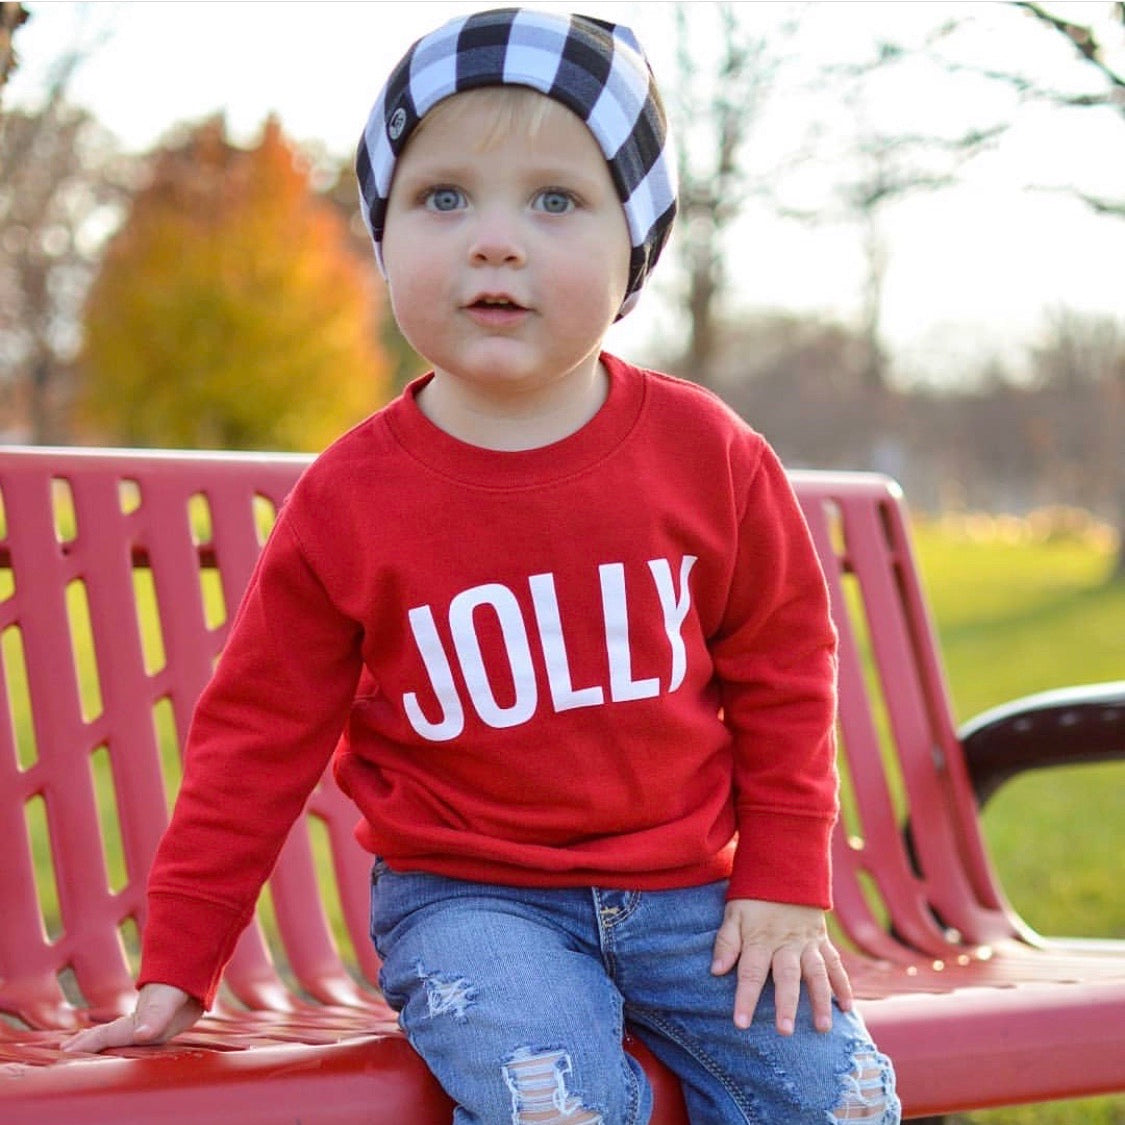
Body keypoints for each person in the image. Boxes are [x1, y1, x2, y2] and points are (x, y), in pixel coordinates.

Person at [65, 8, 900, 1123]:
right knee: (550, 1100)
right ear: (384, 234)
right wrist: (180, 960)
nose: (493, 239)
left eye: (556, 200)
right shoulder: (351, 501)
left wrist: (786, 880)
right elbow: (256, 738)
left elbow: (786, 669)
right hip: (472, 903)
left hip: (696, 900)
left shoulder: (710, 456)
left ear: (633, 246)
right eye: (441, 197)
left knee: (833, 1097)